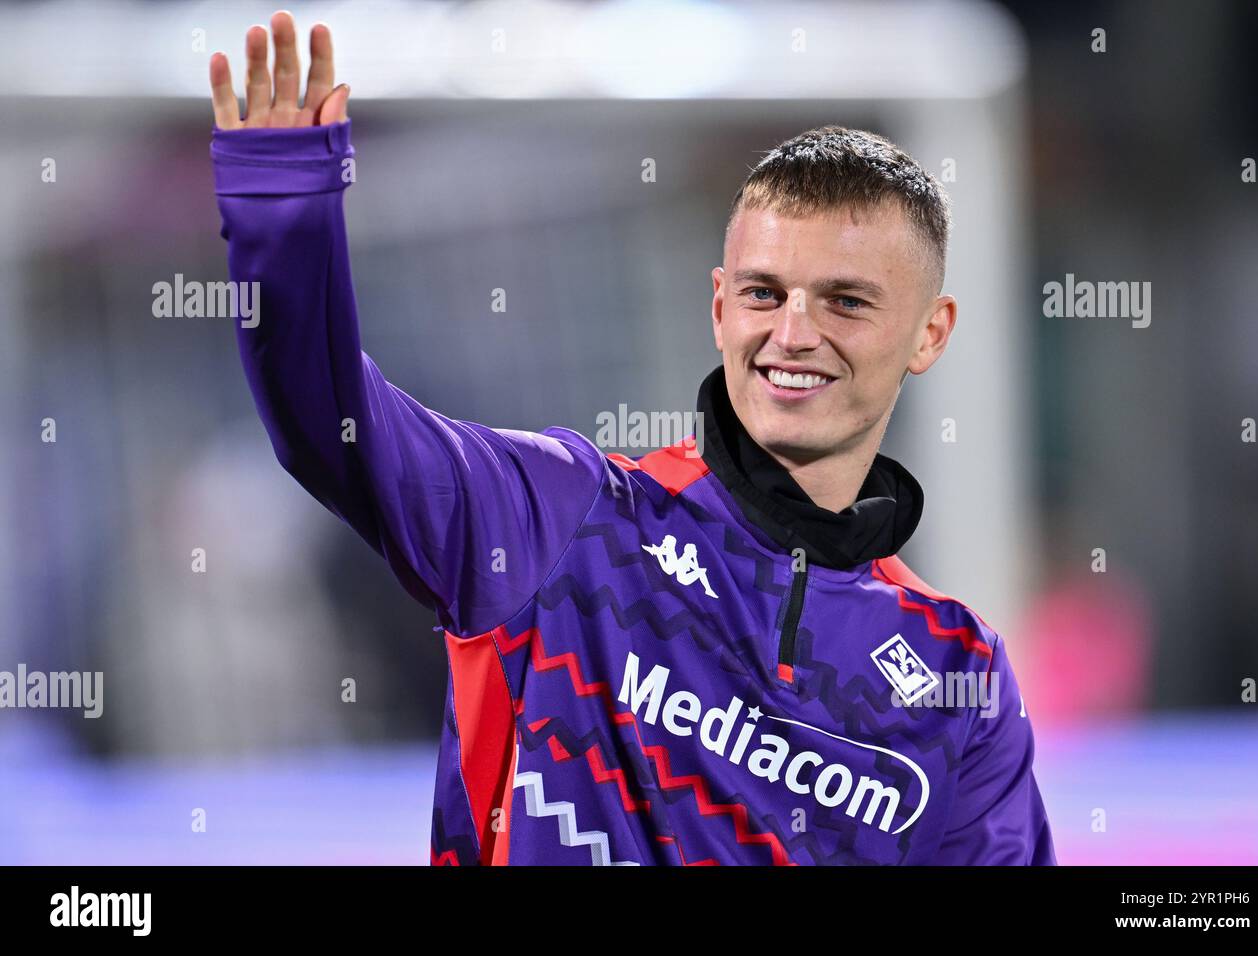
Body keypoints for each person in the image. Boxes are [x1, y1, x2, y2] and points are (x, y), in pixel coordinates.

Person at [208, 11, 1056, 865]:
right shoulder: (564, 519)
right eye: (765, 294)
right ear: (720, 306)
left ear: (930, 333)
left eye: (845, 301)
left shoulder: (959, 675)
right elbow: (333, 423)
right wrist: (284, 222)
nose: (794, 333)